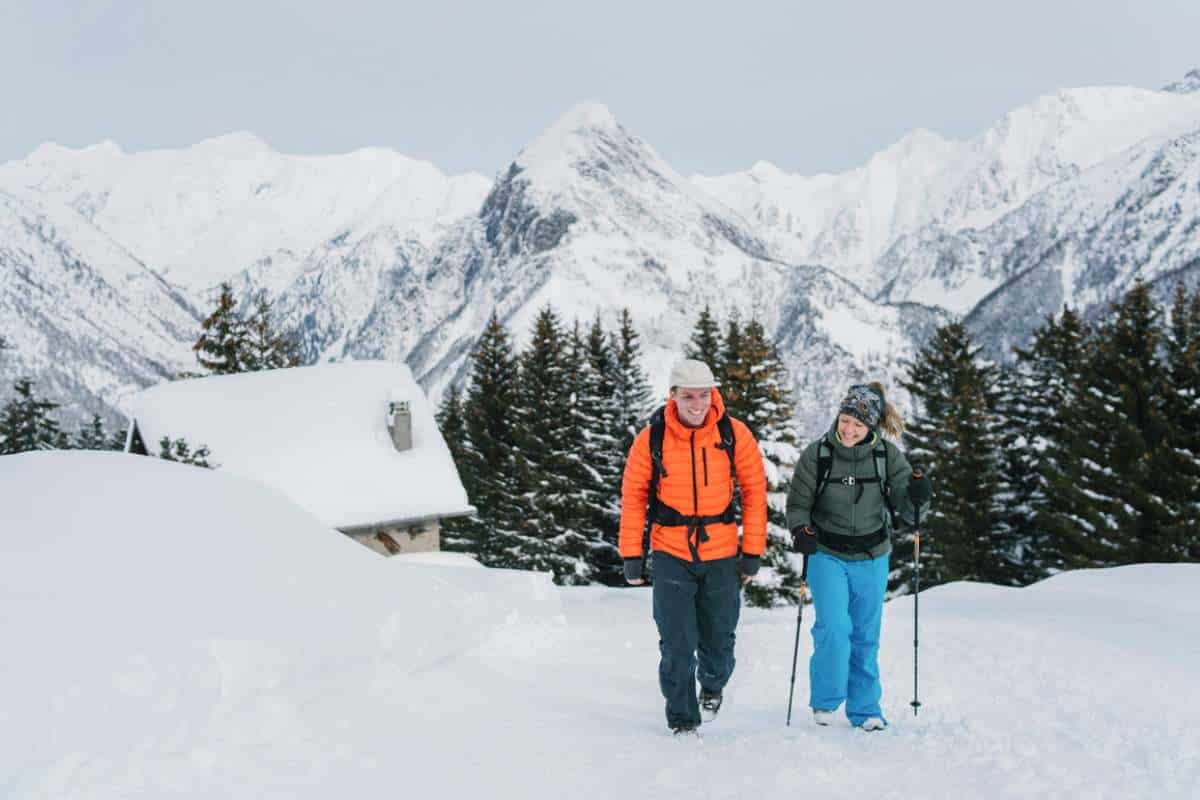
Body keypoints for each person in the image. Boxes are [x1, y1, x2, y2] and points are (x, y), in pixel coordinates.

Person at [619, 358, 768, 736]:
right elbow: (634, 497)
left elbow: (754, 492)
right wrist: (631, 554)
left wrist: (752, 550)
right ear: (673, 396)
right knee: (677, 643)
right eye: (688, 396)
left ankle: (713, 685)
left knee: (719, 641)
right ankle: (683, 719)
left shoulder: (734, 434)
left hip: (721, 551)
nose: (697, 404)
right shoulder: (651, 439)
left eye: (704, 395)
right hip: (670, 551)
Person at [785, 382, 932, 731]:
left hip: (872, 555)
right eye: (845, 420)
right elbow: (798, 504)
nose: (849, 430)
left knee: (866, 634)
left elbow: (908, 509)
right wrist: (800, 529)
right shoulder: (817, 455)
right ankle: (825, 698)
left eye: (858, 425)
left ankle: (865, 709)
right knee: (834, 628)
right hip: (827, 554)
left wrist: (918, 496)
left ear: (872, 428)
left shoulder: (887, 457)